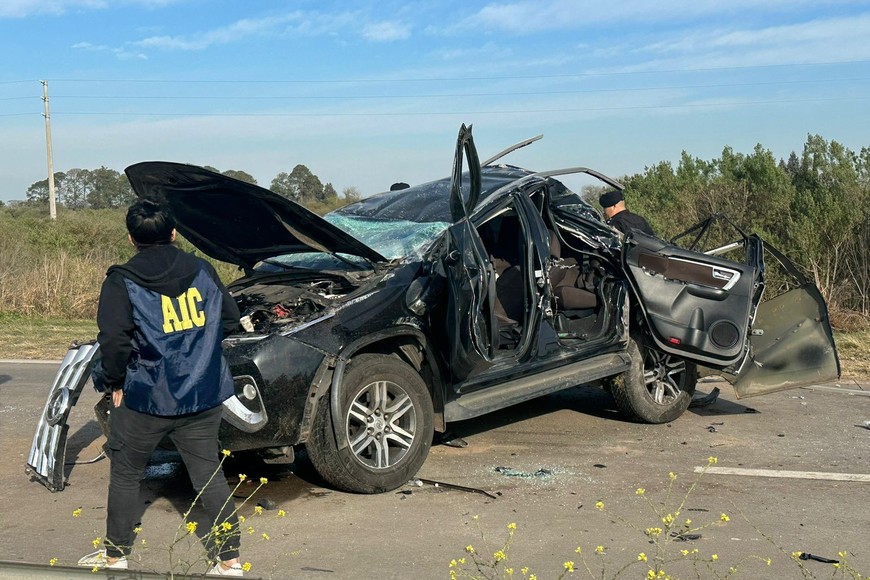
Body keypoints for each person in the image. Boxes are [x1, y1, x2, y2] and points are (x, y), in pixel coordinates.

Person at [78, 199, 244, 576]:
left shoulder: (121, 280)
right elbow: (230, 319)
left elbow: (114, 342)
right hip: (202, 394)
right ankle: (231, 562)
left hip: (145, 399)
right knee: (208, 474)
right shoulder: (202, 269)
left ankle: (115, 559)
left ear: (132, 238)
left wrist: (115, 381)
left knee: (125, 473)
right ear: (173, 233)